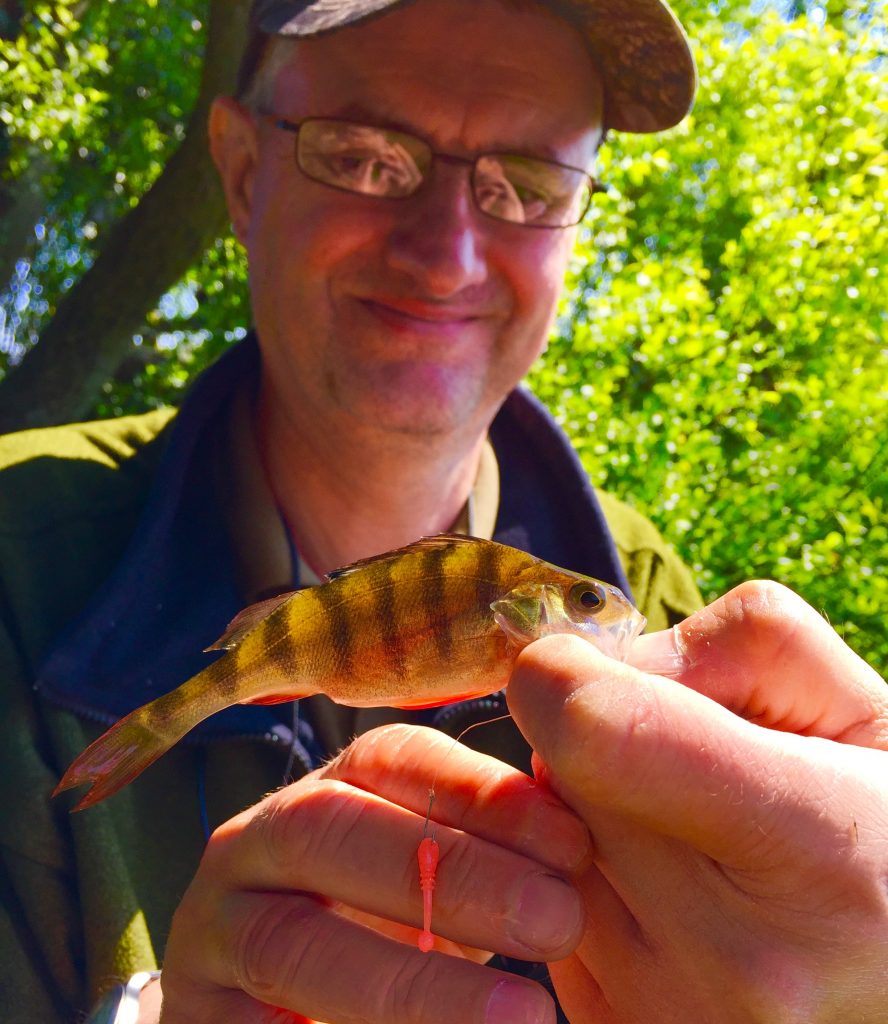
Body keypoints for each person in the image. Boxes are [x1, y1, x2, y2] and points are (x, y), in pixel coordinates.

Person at [0, 1, 885, 1022]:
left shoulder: (669, 601)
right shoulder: (15, 559)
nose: (447, 253)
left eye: (528, 184)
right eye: (367, 156)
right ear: (243, 174)